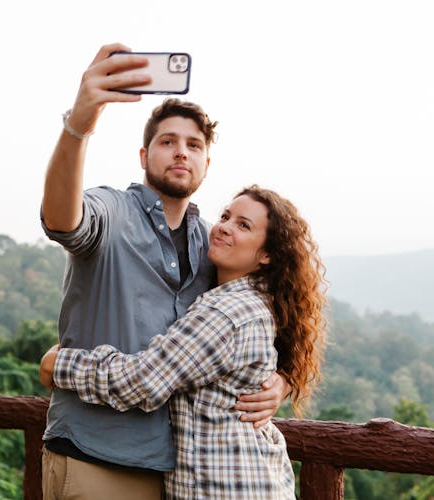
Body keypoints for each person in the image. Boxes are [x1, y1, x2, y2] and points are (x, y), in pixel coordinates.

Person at [40, 43, 289, 499]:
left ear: (207, 164)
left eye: (194, 145)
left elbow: (277, 314)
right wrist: (80, 125)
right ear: (143, 155)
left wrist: (282, 381)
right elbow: (61, 218)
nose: (181, 153)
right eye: (168, 141)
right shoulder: (112, 211)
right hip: (97, 456)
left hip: (173, 470)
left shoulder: (213, 244)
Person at [41, 185, 329, 499]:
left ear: (267, 254)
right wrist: (284, 381)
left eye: (243, 225)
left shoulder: (227, 313)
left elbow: (144, 380)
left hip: (229, 489)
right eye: (225, 216)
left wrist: (61, 364)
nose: (224, 227)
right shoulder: (254, 300)